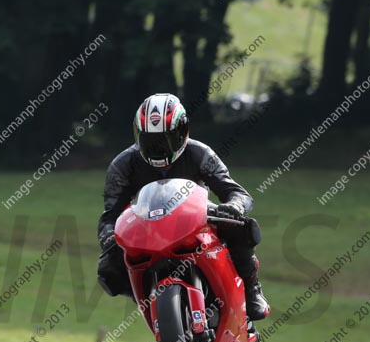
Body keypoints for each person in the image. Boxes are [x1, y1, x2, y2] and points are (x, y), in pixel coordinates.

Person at [97, 93, 270, 320]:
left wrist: (234, 206)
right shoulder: (123, 165)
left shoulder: (200, 153)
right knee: (108, 269)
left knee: (240, 227)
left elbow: (237, 192)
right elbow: (111, 214)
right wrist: (109, 236)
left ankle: (252, 289)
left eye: (167, 139)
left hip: (195, 221)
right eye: (151, 141)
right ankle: (152, 302)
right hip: (147, 229)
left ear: (183, 132)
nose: (159, 148)